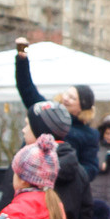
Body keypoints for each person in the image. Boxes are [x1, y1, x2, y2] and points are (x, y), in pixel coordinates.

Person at [14, 38, 100, 180]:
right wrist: (22, 60)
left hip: (63, 187)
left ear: (82, 109)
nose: (66, 98)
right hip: (30, 178)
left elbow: (90, 168)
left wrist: (63, 171)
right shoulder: (47, 112)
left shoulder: (89, 135)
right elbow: (27, 89)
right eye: (67, 93)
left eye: (72, 98)